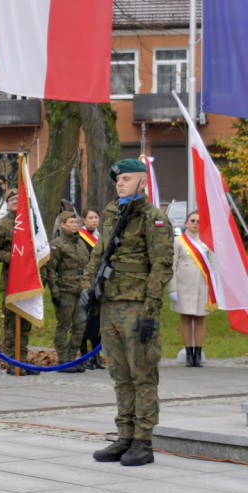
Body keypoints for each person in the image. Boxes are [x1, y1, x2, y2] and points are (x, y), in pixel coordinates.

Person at [81, 159, 174, 466]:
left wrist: (150, 310)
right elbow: (98, 253)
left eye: (127, 179)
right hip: (110, 305)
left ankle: (143, 441)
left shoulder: (153, 218)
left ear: (142, 183)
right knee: (120, 375)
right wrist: (87, 287)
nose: (120, 183)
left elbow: (161, 267)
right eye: (118, 179)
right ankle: (124, 436)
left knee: (143, 374)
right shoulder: (110, 215)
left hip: (136, 306)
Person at [0, 188, 36, 374]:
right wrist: (14, 257)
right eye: (12, 199)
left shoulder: (31, 223)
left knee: (25, 322)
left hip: (29, 280)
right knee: (11, 323)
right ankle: (10, 362)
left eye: (18, 199)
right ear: (7, 203)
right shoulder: (3, 225)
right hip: (11, 280)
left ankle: (22, 361)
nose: (15, 201)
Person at [46, 211, 90, 372]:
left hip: (81, 288)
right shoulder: (57, 244)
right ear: (62, 225)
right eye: (70, 222)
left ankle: (72, 358)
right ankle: (63, 360)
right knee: (64, 325)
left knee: (80, 325)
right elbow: (50, 270)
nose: (74, 225)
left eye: (75, 222)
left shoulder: (80, 243)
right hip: (65, 289)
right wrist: (55, 292)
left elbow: (87, 264)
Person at [169, 211, 214, 367]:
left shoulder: (206, 242)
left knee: (200, 320)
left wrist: (214, 290)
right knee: (186, 319)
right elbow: (172, 267)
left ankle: (197, 353)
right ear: (186, 223)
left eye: (198, 221)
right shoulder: (178, 241)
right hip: (184, 287)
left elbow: (213, 267)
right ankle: (189, 354)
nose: (195, 224)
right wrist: (172, 288)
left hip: (202, 287)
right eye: (192, 220)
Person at [78, 209, 104, 369]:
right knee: (84, 320)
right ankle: (84, 354)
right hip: (86, 282)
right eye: (90, 218)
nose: (94, 221)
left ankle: (96, 355)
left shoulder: (100, 237)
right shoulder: (80, 238)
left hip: (99, 282)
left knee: (98, 321)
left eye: (96, 218)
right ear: (84, 220)